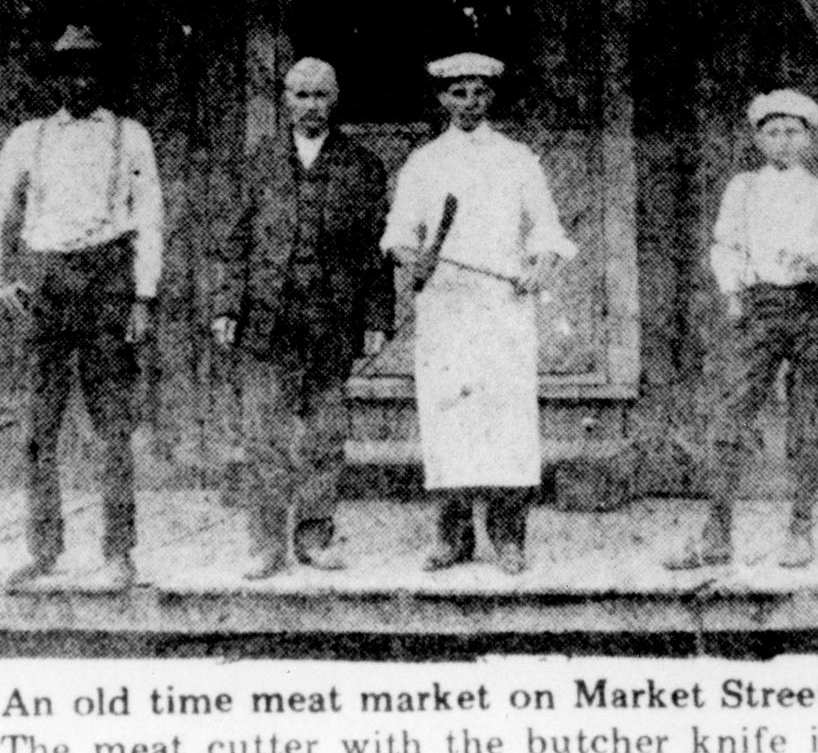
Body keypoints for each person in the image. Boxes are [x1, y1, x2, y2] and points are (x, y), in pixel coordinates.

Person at [0, 25, 164, 592]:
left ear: (103, 77)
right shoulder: (30, 138)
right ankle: (43, 549)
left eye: (91, 70)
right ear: (56, 79)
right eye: (69, 71)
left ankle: (118, 554)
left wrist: (143, 296)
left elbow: (149, 220)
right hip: (46, 287)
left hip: (107, 287)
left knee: (113, 426)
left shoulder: (131, 137)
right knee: (38, 427)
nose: (81, 81)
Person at [382, 53, 576, 575]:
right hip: (445, 309)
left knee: (506, 420)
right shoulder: (423, 163)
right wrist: (413, 256)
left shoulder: (518, 159)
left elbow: (549, 232)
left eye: (478, 92)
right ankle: (454, 537)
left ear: (492, 96)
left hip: (502, 310)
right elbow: (398, 236)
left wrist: (539, 266)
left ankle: (509, 537)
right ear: (442, 98)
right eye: (457, 92)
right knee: (449, 416)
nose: (468, 102)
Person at [666, 89, 818, 574]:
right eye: (773, 132)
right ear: (759, 138)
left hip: (814, 310)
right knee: (731, 415)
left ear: (807, 138)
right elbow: (726, 247)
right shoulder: (744, 189)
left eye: (793, 132)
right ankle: (716, 533)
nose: (783, 142)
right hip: (760, 308)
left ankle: (800, 528)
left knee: (809, 415)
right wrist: (736, 295)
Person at [214, 57, 392, 579]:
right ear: (284, 100)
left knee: (324, 434)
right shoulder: (259, 161)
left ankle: (314, 536)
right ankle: (267, 544)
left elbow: (374, 251)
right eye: (299, 95)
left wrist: (377, 316)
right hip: (269, 318)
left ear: (335, 99)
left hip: (332, 319)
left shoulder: (361, 165)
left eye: (319, 95)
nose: (309, 105)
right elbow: (234, 242)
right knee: (264, 435)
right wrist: (227, 305)